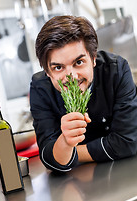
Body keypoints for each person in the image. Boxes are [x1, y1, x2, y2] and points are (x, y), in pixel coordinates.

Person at [30, 15, 137, 172]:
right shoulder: (40, 88)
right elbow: (47, 155)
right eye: (58, 67)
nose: (71, 77)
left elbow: (127, 142)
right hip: (73, 185)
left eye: (78, 62)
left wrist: (68, 153)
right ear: (47, 72)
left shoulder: (116, 69)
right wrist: (66, 142)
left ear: (93, 58)